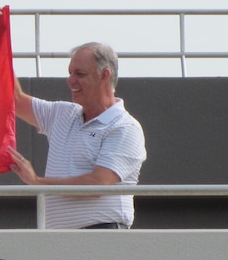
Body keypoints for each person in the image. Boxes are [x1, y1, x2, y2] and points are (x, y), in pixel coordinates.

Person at [9, 41, 146, 229]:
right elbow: (15, 99)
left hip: (102, 236)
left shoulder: (125, 127)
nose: (70, 80)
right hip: (59, 239)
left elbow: (98, 183)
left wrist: (38, 182)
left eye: (80, 74)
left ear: (104, 75)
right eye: (70, 73)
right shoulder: (62, 114)